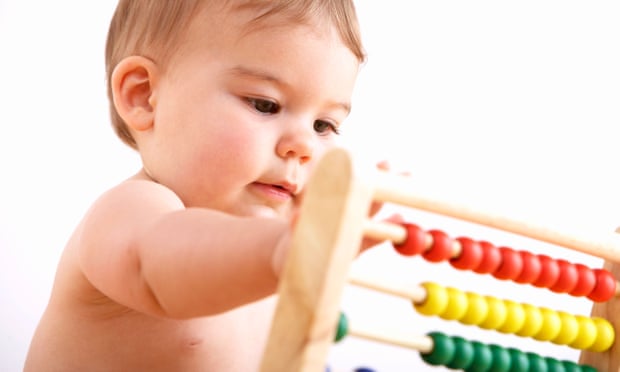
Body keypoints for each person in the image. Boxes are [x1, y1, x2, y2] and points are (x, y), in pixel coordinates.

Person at [25, 1, 387, 371]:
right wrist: (284, 251)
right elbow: (159, 269)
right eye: (265, 104)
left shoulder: (280, 241)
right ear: (143, 95)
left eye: (324, 125)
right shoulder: (130, 212)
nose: (304, 146)